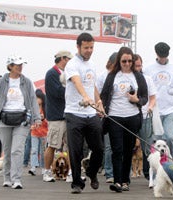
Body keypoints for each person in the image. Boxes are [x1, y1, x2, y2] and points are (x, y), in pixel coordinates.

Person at [0, 55, 41, 189]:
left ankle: (16, 179)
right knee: (7, 149)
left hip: (22, 120)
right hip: (4, 120)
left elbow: (33, 100)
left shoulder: (27, 82)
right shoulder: (1, 82)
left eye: (21, 65)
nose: (20, 67)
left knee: (16, 150)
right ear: (10, 66)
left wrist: (37, 118)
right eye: (17, 65)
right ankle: (7, 177)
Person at [100, 47, 148, 192]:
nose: (127, 64)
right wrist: (102, 108)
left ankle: (126, 180)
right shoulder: (112, 76)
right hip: (115, 116)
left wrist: (137, 100)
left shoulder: (138, 76)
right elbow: (103, 95)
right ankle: (117, 181)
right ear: (118, 61)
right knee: (117, 149)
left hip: (132, 117)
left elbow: (145, 97)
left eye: (129, 61)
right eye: (124, 61)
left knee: (128, 150)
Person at [64, 32, 104, 194]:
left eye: (91, 47)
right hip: (74, 113)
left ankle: (92, 172)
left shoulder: (92, 64)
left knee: (99, 148)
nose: (89, 50)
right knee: (75, 151)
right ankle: (76, 183)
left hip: (91, 114)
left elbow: (91, 85)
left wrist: (99, 102)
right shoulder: (72, 64)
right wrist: (85, 97)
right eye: (86, 47)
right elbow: (77, 81)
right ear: (78, 47)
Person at [143, 42, 173, 158]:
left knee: (170, 137)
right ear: (156, 54)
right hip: (155, 109)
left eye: (165, 56)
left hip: (171, 108)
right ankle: (155, 163)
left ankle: (169, 161)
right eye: (161, 56)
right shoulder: (148, 69)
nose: (163, 59)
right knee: (155, 140)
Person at [43, 50, 73, 183]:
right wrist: (72, 90)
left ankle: (72, 173)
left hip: (68, 114)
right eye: (69, 59)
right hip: (56, 116)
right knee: (53, 144)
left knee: (71, 145)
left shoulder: (66, 74)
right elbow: (57, 92)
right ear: (63, 59)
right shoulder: (51, 73)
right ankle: (47, 171)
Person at [134, 54, 157, 180]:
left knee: (147, 146)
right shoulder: (127, 78)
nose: (138, 68)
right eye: (136, 66)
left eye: (139, 65)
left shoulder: (147, 79)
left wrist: (150, 107)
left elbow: (153, 97)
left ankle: (149, 174)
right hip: (130, 116)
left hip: (145, 115)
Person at [97, 52, 117, 184]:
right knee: (109, 146)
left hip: (120, 114)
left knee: (120, 146)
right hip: (106, 114)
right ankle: (109, 172)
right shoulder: (103, 76)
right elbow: (97, 94)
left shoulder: (122, 76)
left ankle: (120, 173)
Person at [28, 89, 48, 176]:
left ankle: (44, 167)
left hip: (44, 133)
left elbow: (49, 121)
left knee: (43, 151)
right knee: (34, 150)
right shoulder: (32, 109)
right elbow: (29, 120)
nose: (37, 100)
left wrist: (44, 119)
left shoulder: (46, 109)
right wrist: (30, 125)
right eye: (35, 98)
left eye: (38, 98)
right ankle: (33, 167)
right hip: (34, 132)